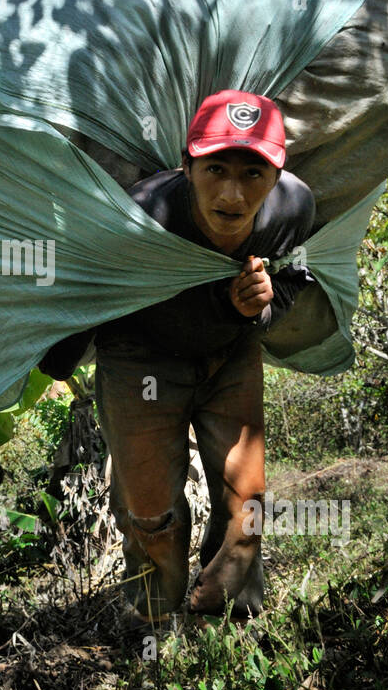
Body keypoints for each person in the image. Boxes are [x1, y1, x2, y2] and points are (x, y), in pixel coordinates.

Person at [38, 90, 316, 624]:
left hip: (228, 356)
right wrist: (53, 356)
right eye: (217, 169)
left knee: (247, 503)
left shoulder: (292, 210)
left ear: (277, 178)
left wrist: (254, 310)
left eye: (254, 174)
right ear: (187, 167)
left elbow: (291, 279)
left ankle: (230, 620)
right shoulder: (139, 217)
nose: (233, 195)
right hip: (139, 360)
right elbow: (87, 289)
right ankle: (153, 623)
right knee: (149, 514)